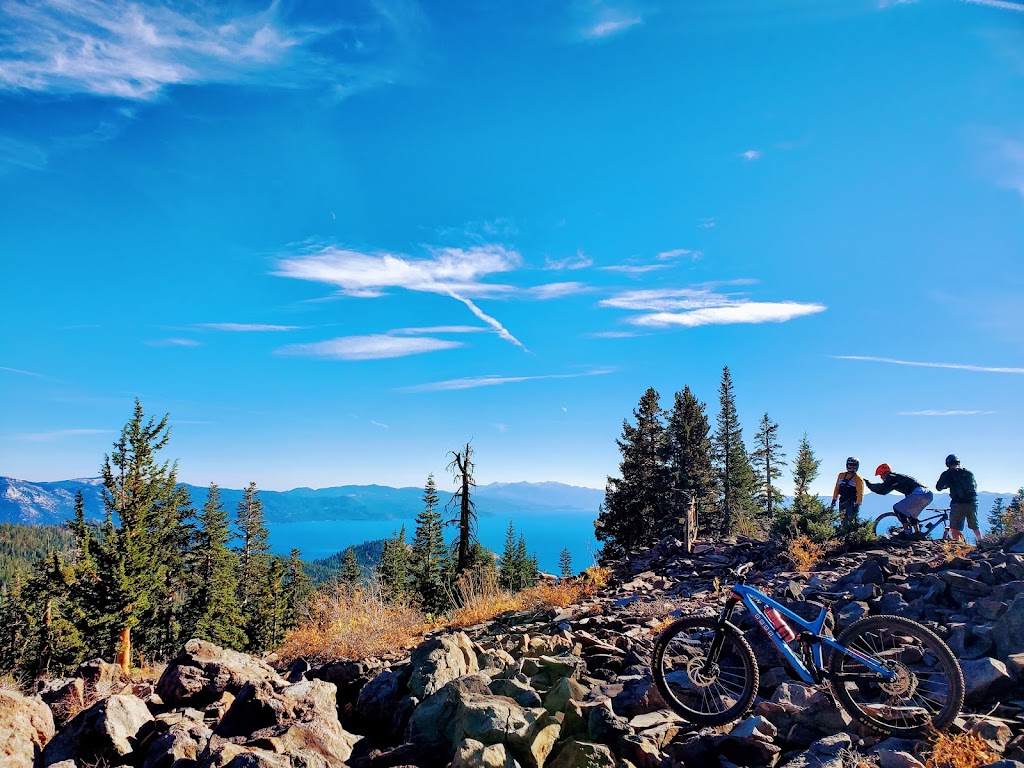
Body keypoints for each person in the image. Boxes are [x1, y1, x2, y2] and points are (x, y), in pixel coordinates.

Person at [865, 464, 934, 535]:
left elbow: (883, 489)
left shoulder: (891, 477)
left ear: (886, 473)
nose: (881, 478)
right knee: (911, 514)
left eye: (881, 475)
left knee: (897, 508)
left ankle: (906, 532)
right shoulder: (897, 477)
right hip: (928, 495)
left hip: (918, 494)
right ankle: (917, 533)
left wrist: (869, 485)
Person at [936, 454, 981, 544]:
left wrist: (947, 485)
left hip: (958, 503)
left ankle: (957, 545)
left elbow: (938, 487)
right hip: (972, 502)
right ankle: (982, 542)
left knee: (955, 527)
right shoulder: (968, 473)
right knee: (975, 525)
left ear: (947, 464)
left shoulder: (947, 474)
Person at [830, 456, 865, 531]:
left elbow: (860, 493)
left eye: (854, 465)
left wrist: (857, 505)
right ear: (847, 465)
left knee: (852, 522)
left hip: (851, 502)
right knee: (843, 521)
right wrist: (834, 500)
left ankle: (853, 538)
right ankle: (844, 537)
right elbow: (837, 488)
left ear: (857, 466)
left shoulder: (858, 478)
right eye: (850, 464)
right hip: (842, 501)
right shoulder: (841, 475)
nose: (852, 467)